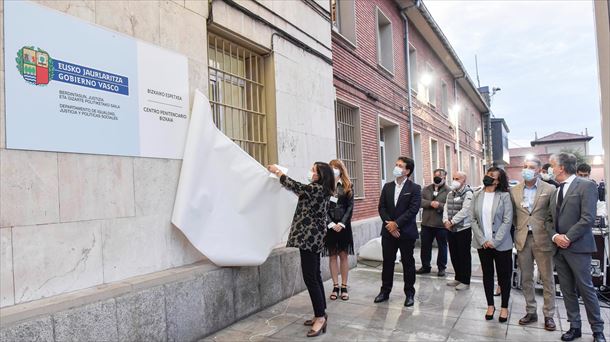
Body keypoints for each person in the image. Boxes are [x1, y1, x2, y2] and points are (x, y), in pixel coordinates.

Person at [267, 162, 335, 337]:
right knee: (315, 276)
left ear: (321, 175)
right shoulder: (319, 189)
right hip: (313, 238)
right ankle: (321, 312)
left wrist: (278, 172)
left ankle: (320, 318)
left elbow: (294, 185)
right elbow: (299, 190)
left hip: (309, 239)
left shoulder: (316, 189)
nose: (310, 172)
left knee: (310, 278)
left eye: (314, 170)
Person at [549, 153, 605, 342]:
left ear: (561, 167)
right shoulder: (556, 190)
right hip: (559, 248)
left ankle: (598, 330)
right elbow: (549, 220)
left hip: (578, 247)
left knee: (586, 289)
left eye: (552, 165)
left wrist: (568, 237)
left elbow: (588, 218)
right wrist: (556, 237)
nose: (551, 169)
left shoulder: (586, 185)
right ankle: (575, 327)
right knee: (566, 290)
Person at [509, 156, 557, 331]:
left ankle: (549, 315)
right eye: (524, 166)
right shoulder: (514, 190)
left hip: (543, 239)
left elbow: (553, 215)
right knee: (526, 278)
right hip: (523, 238)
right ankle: (531, 311)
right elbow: (514, 215)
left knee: (547, 279)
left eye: (530, 167)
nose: (526, 169)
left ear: (538, 170)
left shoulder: (550, 189)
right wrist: (520, 228)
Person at [374, 157, 422, 307]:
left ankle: (409, 293)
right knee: (387, 262)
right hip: (388, 232)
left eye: (400, 166)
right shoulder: (387, 186)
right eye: (396, 164)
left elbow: (413, 210)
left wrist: (397, 224)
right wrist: (390, 225)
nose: (396, 167)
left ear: (407, 171)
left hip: (406, 233)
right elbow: (381, 207)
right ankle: (384, 291)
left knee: (408, 263)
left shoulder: (414, 188)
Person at [471, 166, 513, 323]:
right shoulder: (477, 195)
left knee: (504, 276)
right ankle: (490, 305)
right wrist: (483, 240)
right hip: (483, 244)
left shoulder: (504, 196)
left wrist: (495, 241)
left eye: (492, 176)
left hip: (501, 244)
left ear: (498, 181)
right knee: (487, 275)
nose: (488, 177)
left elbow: (507, 220)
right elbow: (473, 219)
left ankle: (504, 307)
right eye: (487, 174)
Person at [325, 159, 355, 301]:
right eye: (331, 167)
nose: (333, 169)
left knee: (343, 256)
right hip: (330, 227)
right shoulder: (326, 186)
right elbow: (323, 207)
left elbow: (350, 207)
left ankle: (344, 286)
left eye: (336, 167)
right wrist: (330, 223)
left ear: (341, 169)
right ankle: (335, 286)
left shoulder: (348, 185)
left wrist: (342, 223)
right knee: (332, 256)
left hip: (344, 227)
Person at [443, 171, 473, 290]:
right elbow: (445, 207)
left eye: (458, 179)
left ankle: (465, 281)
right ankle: (458, 278)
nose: (455, 180)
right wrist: (445, 221)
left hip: (463, 229)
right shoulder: (451, 193)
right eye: (454, 178)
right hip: (450, 229)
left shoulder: (468, 193)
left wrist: (452, 221)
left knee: (464, 255)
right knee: (454, 254)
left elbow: (466, 210)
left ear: (464, 181)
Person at [417, 169, 450, 277]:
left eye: (440, 176)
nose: (437, 177)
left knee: (442, 246)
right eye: (435, 175)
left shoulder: (449, 190)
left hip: (441, 224)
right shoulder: (426, 189)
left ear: (445, 177)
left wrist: (439, 205)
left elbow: (450, 205)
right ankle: (425, 266)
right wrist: (430, 203)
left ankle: (441, 268)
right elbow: (419, 201)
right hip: (426, 223)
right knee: (425, 246)